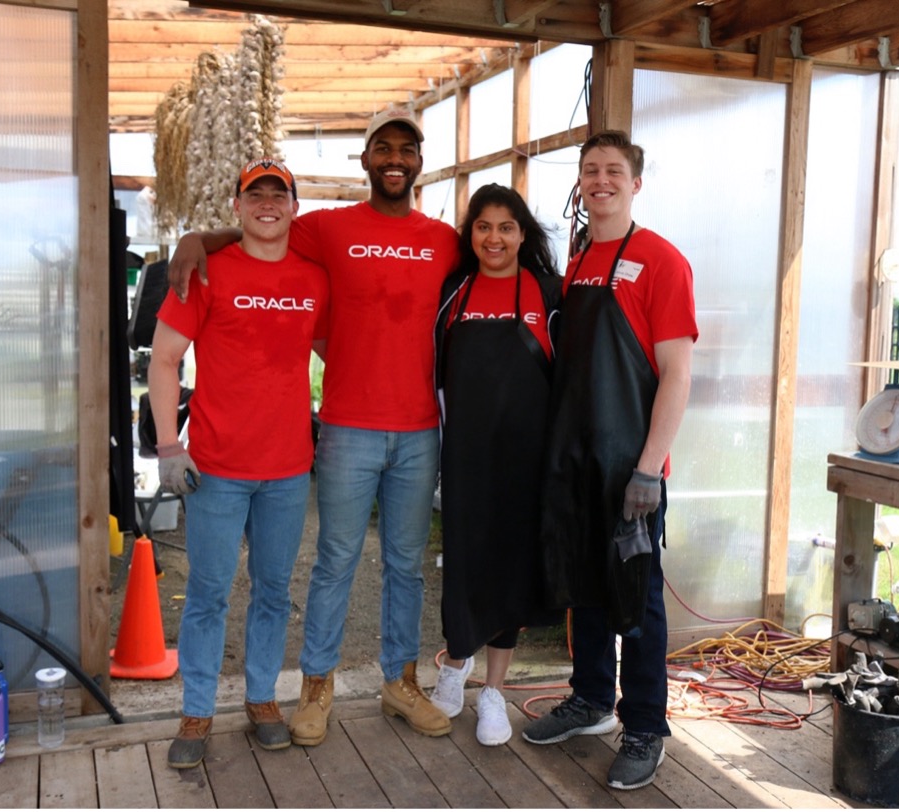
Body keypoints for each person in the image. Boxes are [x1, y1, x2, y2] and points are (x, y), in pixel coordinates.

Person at [167, 108, 460, 746]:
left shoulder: (444, 240)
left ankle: (399, 681)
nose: (393, 158)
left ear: (418, 162)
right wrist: (197, 239)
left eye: (405, 149)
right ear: (364, 159)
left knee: (406, 566)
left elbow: (495, 266)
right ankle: (317, 686)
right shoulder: (325, 229)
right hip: (347, 430)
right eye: (381, 147)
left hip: (418, 431)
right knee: (333, 564)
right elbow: (258, 230)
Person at [521, 131, 698, 791]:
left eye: (613, 171)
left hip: (632, 467)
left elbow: (677, 374)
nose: (601, 180)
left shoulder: (660, 261)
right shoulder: (579, 260)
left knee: (639, 600)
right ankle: (591, 699)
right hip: (577, 459)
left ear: (635, 183)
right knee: (583, 585)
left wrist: (650, 467)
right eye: (590, 170)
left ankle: (645, 724)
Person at [150, 157, 328, 769]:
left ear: (294, 206)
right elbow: (164, 359)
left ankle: (261, 699)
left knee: (275, 591)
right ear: (238, 205)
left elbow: (339, 353)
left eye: (280, 193)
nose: (268, 204)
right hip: (218, 468)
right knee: (207, 592)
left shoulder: (314, 278)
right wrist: (168, 448)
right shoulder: (205, 270)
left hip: (286, 468)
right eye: (257, 194)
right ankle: (196, 711)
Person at [430, 184, 563, 746]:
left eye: (506, 227)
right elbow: (434, 374)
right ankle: (455, 666)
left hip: (524, 461)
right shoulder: (453, 290)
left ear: (523, 234)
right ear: (471, 234)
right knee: (462, 563)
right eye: (483, 226)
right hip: (464, 456)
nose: (494, 237)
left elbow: (567, 380)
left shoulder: (546, 292)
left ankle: (493, 692)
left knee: (509, 572)